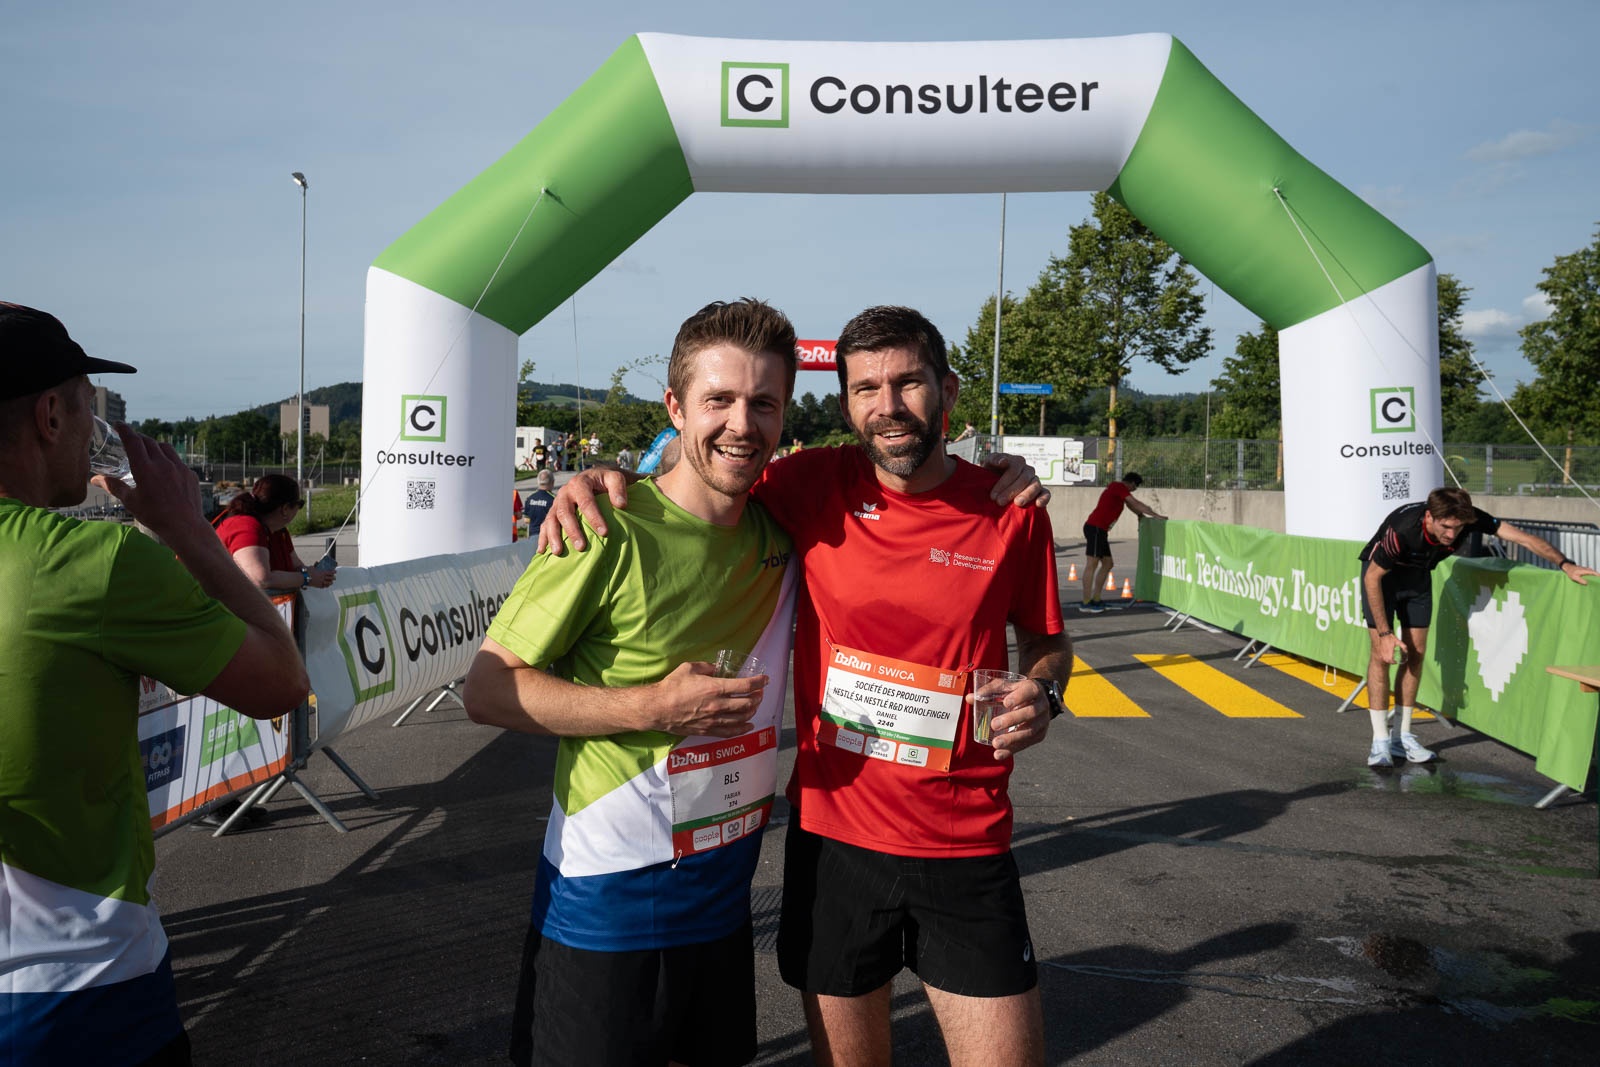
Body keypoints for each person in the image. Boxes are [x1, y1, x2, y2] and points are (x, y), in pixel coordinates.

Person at [543, 305, 1069, 1067]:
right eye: (866, 389)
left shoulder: (1008, 510)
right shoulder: (809, 482)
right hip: (836, 843)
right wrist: (600, 479)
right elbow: (707, 469)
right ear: (845, 402)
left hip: (966, 841)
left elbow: (1047, 642)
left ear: (948, 390)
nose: (888, 406)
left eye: (908, 382)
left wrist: (1044, 692)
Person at [462, 299, 802, 1067]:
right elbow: (487, 689)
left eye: (764, 403)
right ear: (676, 406)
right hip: (607, 904)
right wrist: (653, 705)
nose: (742, 424)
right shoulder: (604, 525)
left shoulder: (783, 531)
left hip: (723, 899)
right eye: (719, 399)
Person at [0, 303, 310, 1065]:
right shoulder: (93, 564)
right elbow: (280, 683)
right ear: (49, 414)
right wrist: (187, 530)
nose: (92, 433)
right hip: (77, 988)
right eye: (88, 409)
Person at [1358, 486, 1595, 768]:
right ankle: (1380, 741)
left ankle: (1402, 736)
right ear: (1429, 517)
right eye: (1446, 527)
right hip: (1382, 579)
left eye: (1458, 528)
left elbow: (1522, 538)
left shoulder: (1469, 518)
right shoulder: (1403, 528)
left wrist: (1565, 564)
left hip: (1418, 578)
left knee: (1416, 654)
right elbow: (1372, 578)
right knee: (1381, 655)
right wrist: (1385, 634)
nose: (1452, 535)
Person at [213, 474, 335, 592]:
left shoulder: (278, 531)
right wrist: (307, 578)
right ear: (285, 509)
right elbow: (261, 579)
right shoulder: (247, 527)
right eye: (299, 505)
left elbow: (296, 566)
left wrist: (315, 573)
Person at [1080, 471, 1164, 613]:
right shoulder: (1118, 486)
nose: (1133, 490)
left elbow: (1131, 506)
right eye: (1135, 487)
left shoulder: (1119, 492)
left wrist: (1140, 515)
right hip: (1095, 528)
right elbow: (1134, 502)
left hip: (1100, 531)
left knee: (1108, 563)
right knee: (1092, 564)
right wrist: (1156, 515)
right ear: (1131, 483)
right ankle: (1086, 602)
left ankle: (1096, 599)